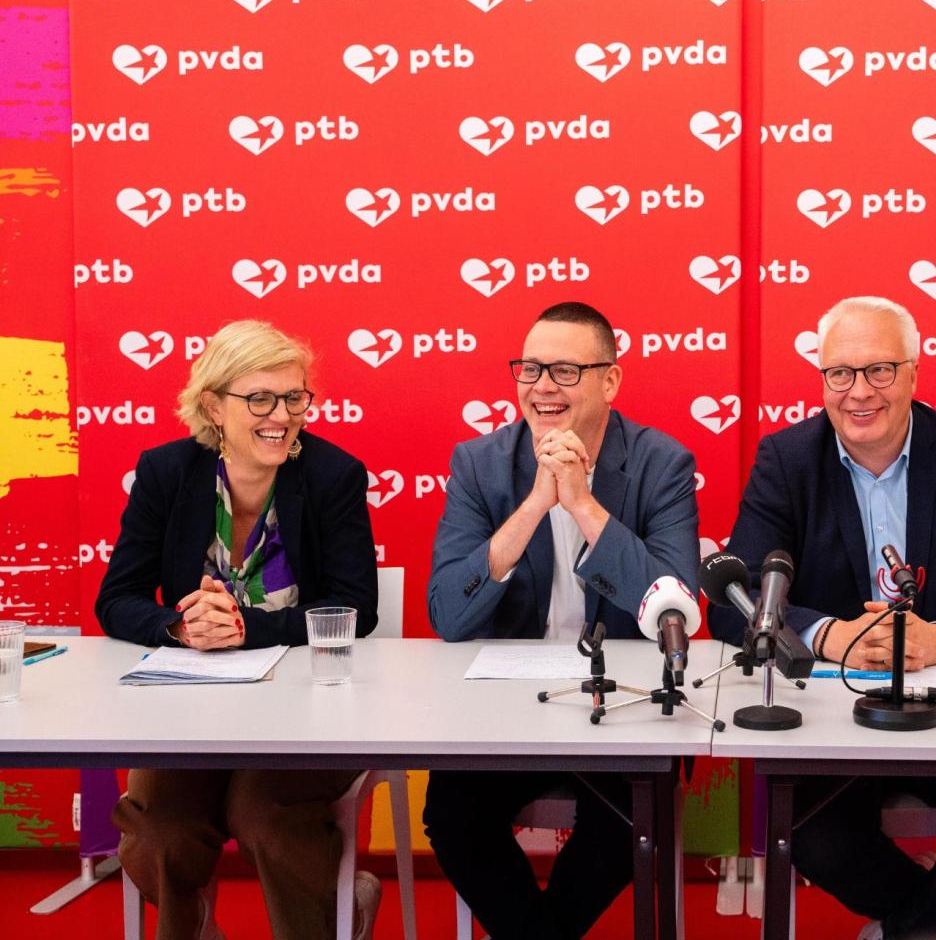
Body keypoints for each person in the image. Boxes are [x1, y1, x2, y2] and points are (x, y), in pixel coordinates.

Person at [709, 296, 936, 940]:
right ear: (822, 380)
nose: (858, 392)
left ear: (914, 375)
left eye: (879, 371)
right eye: (839, 374)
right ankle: (924, 927)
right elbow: (736, 606)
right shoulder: (786, 461)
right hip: (831, 720)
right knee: (815, 837)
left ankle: (908, 928)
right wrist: (830, 636)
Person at [424, 302, 699, 940]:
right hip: (502, 705)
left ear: (611, 381)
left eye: (567, 370)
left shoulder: (662, 464)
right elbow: (448, 615)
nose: (543, 385)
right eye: (530, 367)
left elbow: (674, 609)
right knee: (453, 814)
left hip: (622, 707)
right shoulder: (480, 463)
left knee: (633, 815)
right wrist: (534, 508)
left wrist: (580, 504)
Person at [97, 320, 380, 940]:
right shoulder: (167, 473)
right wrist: (177, 624)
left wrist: (245, 629)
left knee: (267, 818)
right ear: (212, 407)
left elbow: (357, 607)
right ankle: (193, 925)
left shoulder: (334, 475)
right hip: (189, 707)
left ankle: (336, 911)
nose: (281, 415)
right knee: (158, 831)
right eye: (260, 399)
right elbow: (115, 599)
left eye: (294, 397)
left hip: (306, 707)